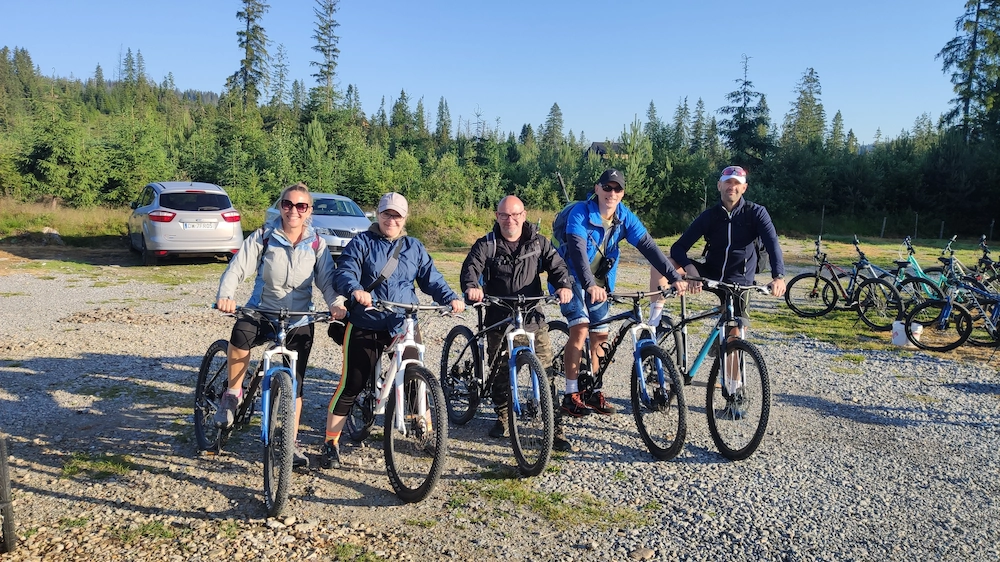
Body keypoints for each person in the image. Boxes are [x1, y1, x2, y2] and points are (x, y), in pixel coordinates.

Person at [321, 192, 464, 469]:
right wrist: (356, 290)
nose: (391, 219)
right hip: (366, 320)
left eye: (397, 215)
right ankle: (330, 441)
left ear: (404, 219)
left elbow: (431, 279)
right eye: (387, 214)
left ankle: (424, 431)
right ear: (378, 214)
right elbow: (344, 271)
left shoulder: (414, 247)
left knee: (415, 378)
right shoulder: (361, 242)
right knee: (352, 383)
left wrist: (449, 297)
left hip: (403, 321)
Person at [214, 182, 348, 469]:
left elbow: (327, 280)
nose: (293, 211)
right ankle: (233, 394)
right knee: (240, 334)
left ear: (309, 211)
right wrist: (226, 295)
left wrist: (337, 303)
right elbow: (238, 267)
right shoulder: (264, 235)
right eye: (288, 204)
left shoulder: (316, 243)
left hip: (299, 317)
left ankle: (290, 441)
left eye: (301, 206)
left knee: (296, 383)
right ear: (280, 206)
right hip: (262, 310)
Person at [558, 168, 688, 421]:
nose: (612, 193)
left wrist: (674, 277)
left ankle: (594, 390)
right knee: (581, 327)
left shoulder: (623, 216)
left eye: (617, 189)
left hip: (600, 281)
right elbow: (577, 252)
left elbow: (648, 246)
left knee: (600, 334)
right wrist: (588, 285)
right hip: (572, 277)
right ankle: (570, 394)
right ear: (597, 189)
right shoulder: (580, 213)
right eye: (607, 187)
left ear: (623, 193)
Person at [655, 164, 786, 394]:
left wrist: (778, 276)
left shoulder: (756, 213)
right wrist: (690, 271)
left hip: (740, 281)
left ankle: (733, 392)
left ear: (744, 188)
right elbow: (679, 247)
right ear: (719, 185)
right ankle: (654, 322)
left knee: (734, 332)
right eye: (727, 183)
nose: (731, 187)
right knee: (663, 263)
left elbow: (773, 244)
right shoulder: (710, 216)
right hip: (711, 273)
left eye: (736, 184)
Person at [460, 196, 575, 450]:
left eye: (515, 215)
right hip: (499, 317)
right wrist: (472, 288)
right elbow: (470, 268)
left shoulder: (538, 243)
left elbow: (558, 267)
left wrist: (564, 286)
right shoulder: (487, 244)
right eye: (504, 215)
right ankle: (502, 416)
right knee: (500, 372)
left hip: (532, 316)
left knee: (546, 375)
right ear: (497, 216)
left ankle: (555, 430)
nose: (509, 220)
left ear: (524, 215)